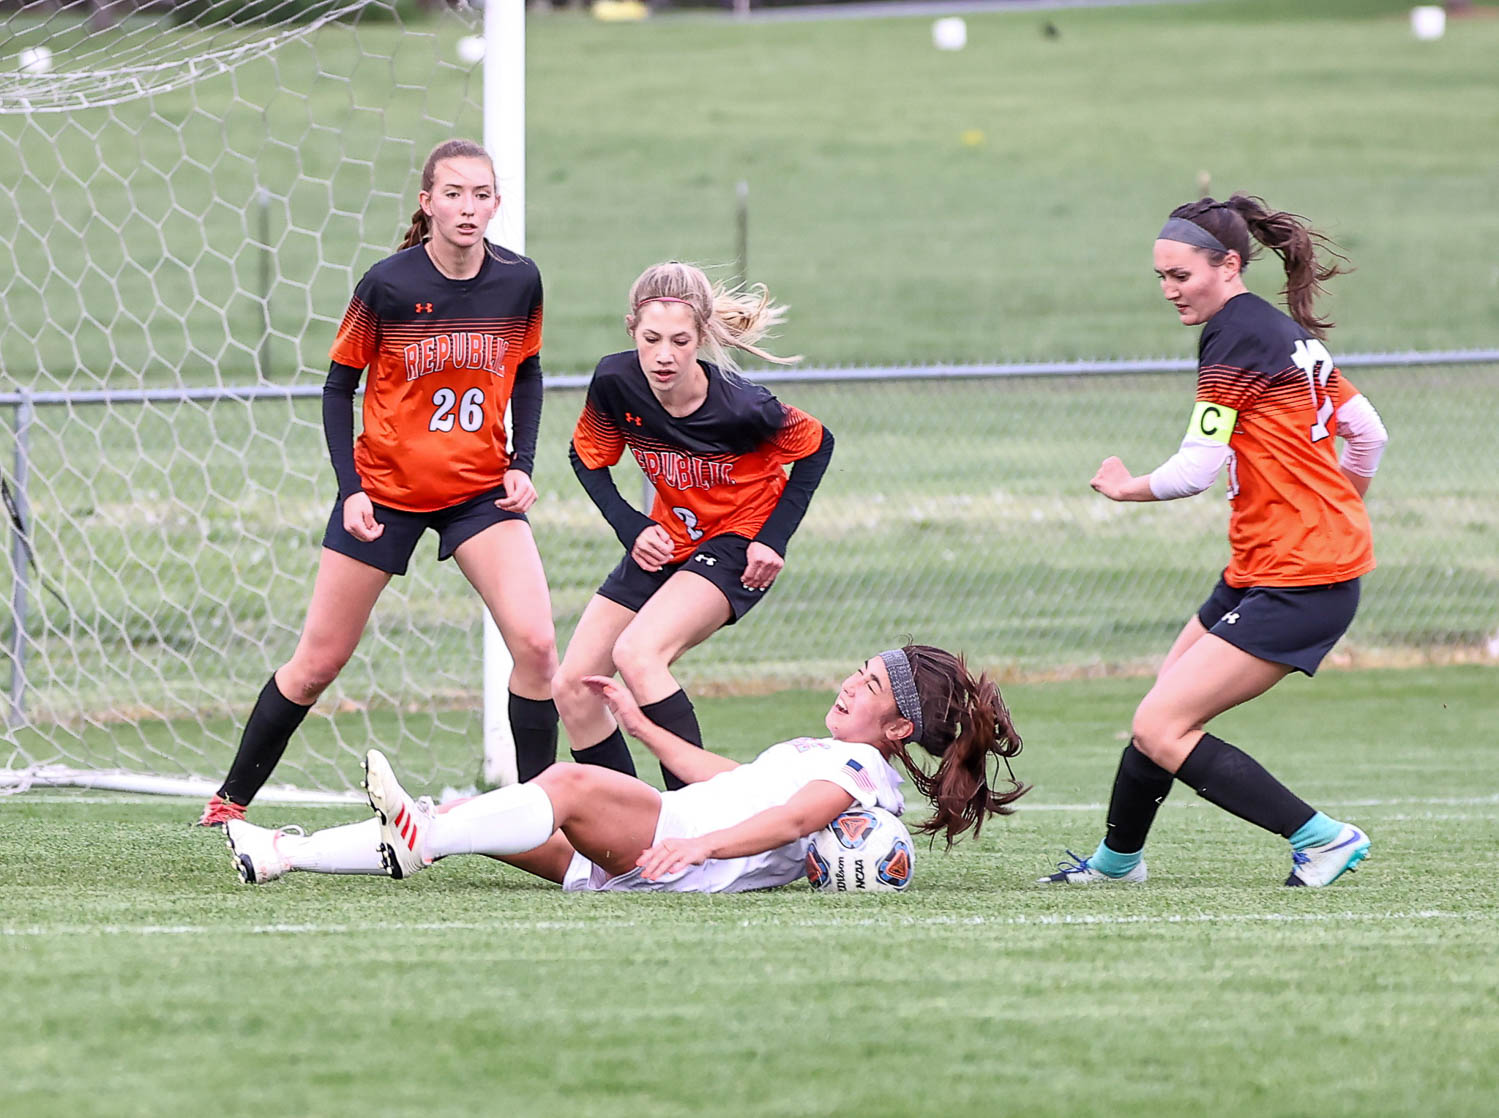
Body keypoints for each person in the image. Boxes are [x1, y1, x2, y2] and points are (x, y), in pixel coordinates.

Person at [199, 139, 561, 825]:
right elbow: (339, 387)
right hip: (384, 495)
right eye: (452, 193)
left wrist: (522, 464)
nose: (467, 206)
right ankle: (230, 802)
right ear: (426, 203)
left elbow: (530, 371)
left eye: (480, 194)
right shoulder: (389, 285)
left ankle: (542, 812)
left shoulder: (520, 281)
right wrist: (351, 489)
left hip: (480, 494)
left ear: (495, 204)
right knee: (317, 663)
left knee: (539, 647)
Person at [1040, 194, 1388, 889]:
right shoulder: (1279, 331)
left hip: (1300, 576)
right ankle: (1116, 864)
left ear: (1227, 265)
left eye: (1180, 276)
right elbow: (1369, 436)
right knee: (1158, 713)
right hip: (1269, 564)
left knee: (1164, 724)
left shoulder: (1235, 334)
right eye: (1160, 279)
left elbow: (1192, 471)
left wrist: (1124, 486)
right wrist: (1339, 505)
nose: (1169, 291)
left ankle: (1321, 838)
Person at [222, 644, 1030, 892]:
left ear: (896, 726)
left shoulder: (860, 776)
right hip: (670, 842)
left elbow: (788, 822)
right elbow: (727, 774)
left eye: (869, 687)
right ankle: (282, 853)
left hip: (676, 848)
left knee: (566, 785)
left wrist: (703, 849)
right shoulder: (837, 754)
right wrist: (641, 725)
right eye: (859, 669)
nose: (850, 683)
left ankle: (418, 833)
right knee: (472, 821)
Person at [550, 262, 835, 789]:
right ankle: (626, 825)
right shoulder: (615, 381)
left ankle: (698, 820)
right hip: (666, 538)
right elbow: (586, 456)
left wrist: (773, 540)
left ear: (700, 337)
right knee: (573, 685)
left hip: (737, 542)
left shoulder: (743, 406)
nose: (664, 355)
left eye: (680, 341)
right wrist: (631, 526)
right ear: (632, 328)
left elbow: (819, 446)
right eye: (651, 338)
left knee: (638, 654)